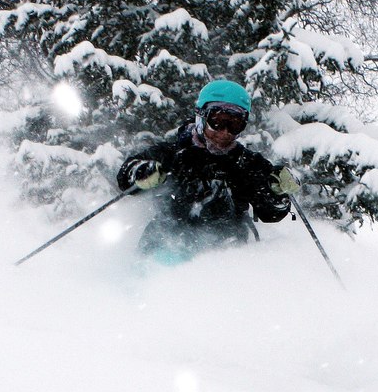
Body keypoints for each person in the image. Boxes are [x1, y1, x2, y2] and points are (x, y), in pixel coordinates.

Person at [117, 79, 299, 263]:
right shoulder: (173, 154)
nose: (225, 132)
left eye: (235, 124)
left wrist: (278, 192)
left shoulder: (247, 163)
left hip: (226, 254)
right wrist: (140, 172)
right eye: (218, 121)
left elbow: (271, 213)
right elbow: (126, 177)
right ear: (201, 116)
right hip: (166, 244)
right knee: (159, 269)